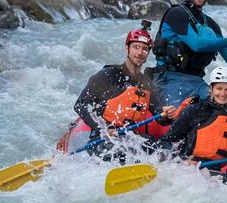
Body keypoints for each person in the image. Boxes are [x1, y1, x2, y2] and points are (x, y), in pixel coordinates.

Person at [73, 23, 178, 158]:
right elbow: (80, 105)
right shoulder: (108, 75)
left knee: (167, 150)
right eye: (136, 47)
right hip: (103, 139)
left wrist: (167, 114)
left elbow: (160, 117)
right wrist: (104, 129)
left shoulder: (146, 84)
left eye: (144, 49)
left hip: (132, 138)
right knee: (122, 152)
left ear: (148, 53)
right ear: (127, 48)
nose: (140, 53)